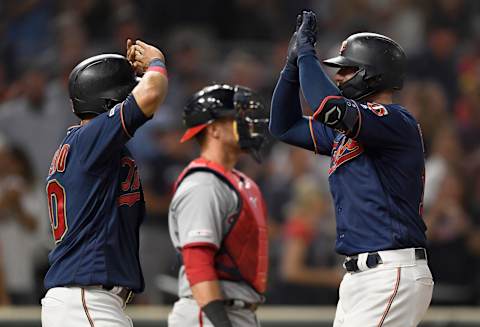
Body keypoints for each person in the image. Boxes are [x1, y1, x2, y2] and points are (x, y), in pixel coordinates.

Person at [269, 10, 433, 327]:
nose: (339, 77)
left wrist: (306, 55)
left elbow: (326, 107)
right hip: (364, 276)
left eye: (347, 69)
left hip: (389, 270)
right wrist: (291, 68)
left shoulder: (394, 119)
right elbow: (284, 126)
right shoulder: (350, 130)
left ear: (373, 73)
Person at [41, 39, 168, 327]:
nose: (132, 96)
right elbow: (151, 95)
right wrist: (156, 63)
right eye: (126, 92)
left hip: (88, 300)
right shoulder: (91, 139)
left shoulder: (89, 144)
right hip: (87, 298)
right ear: (109, 101)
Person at [168, 84, 270, 327]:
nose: (247, 123)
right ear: (213, 129)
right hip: (209, 312)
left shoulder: (239, 182)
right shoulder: (203, 184)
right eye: (237, 118)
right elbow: (198, 262)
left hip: (236, 310)